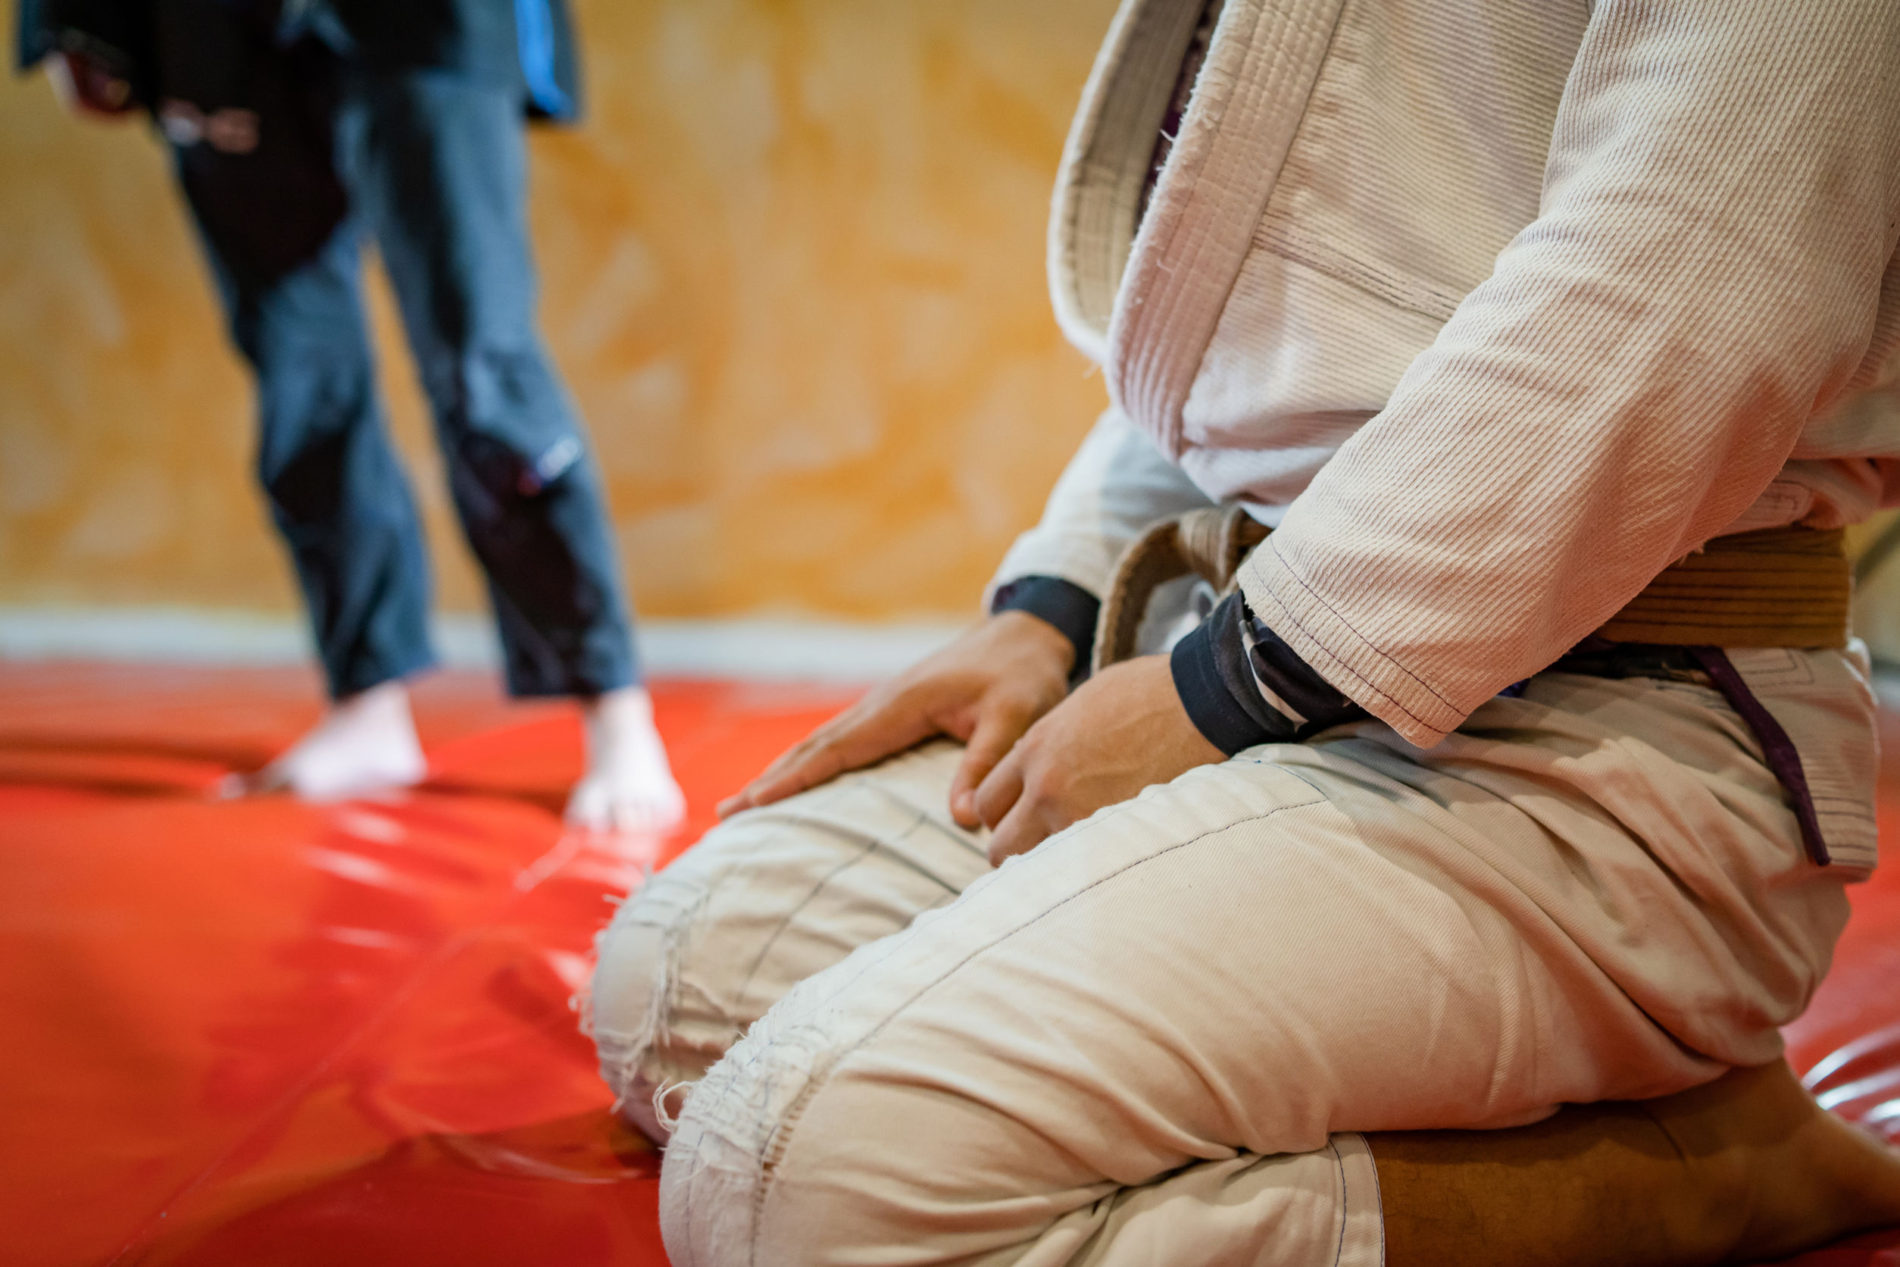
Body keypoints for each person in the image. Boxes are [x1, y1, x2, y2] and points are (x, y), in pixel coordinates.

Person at [586, 0, 1900, 1262]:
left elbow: (1678, 296)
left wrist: (1232, 685)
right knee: (681, 996)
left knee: (809, 1186)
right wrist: (1051, 607)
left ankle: (1706, 1172)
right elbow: (1269, 346)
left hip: (1606, 740)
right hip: (1271, 677)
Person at [18, 0, 683, 831]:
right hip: (211, 26)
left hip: (429, 21)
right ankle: (368, 699)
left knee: (483, 362)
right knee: (301, 374)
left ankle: (613, 706)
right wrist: (72, 21)